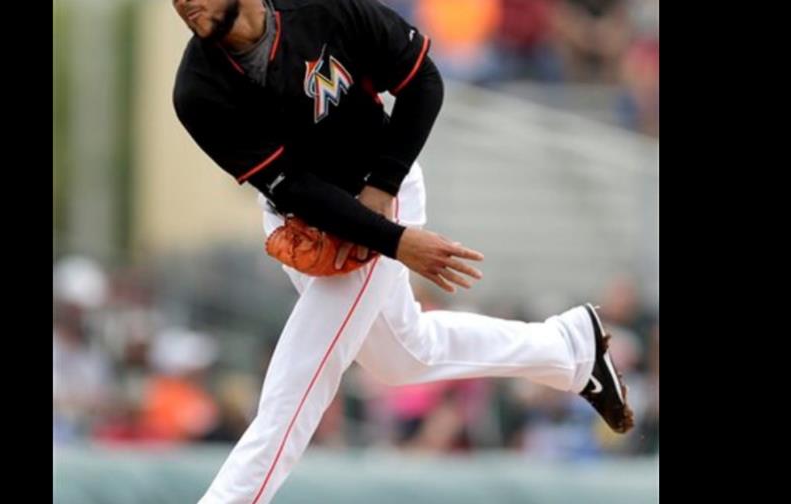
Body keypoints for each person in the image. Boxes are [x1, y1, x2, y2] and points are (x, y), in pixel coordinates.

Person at [170, 1, 634, 502]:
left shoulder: (322, 9)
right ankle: (568, 347)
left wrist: (383, 197)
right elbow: (294, 187)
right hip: (309, 216)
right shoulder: (198, 89)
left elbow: (423, 83)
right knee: (402, 358)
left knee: (298, 382)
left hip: (380, 186)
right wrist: (394, 241)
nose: (184, 3)